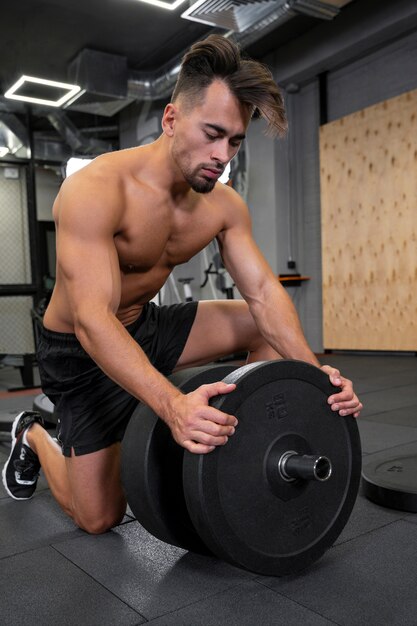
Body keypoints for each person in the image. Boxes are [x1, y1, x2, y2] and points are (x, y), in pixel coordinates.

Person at [2, 35, 362, 534]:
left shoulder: (223, 205)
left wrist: (315, 377)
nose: (223, 155)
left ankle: (245, 440)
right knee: (98, 518)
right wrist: (172, 406)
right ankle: (37, 435)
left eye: (234, 141)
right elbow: (91, 320)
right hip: (79, 350)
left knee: (255, 327)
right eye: (212, 133)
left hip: (144, 326)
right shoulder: (96, 190)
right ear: (171, 120)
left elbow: (262, 292)